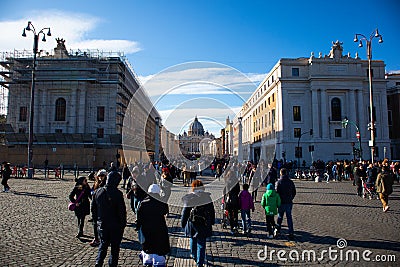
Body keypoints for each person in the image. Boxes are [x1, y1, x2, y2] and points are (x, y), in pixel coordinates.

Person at [92, 171, 126, 267]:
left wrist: (97, 221)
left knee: (103, 245)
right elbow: (121, 211)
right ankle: (112, 265)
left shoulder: (97, 191)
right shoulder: (118, 194)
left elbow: (93, 209)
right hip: (115, 225)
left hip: (102, 224)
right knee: (114, 249)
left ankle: (98, 263)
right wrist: (123, 224)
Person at [181, 180, 215, 267]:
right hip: (203, 223)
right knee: (201, 243)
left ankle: (194, 255)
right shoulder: (207, 197)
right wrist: (212, 221)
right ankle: (199, 263)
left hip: (192, 223)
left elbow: (185, 212)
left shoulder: (189, 198)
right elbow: (212, 211)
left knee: (193, 238)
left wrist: (183, 223)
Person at [136, 184, 170, 266]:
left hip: (146, 228)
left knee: (148, 245)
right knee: (159, 245)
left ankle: (148, 260)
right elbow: (165, 211)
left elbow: (139, 216)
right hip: (159, 227)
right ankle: (158, 262)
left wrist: (138, 226)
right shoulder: (161, 202)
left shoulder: (143, 203)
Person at [275, 168, 296, 239]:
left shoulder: (278, 182)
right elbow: (294, 192)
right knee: (289, 217)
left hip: (281, 202)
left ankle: (277, 230)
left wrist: (277, 200)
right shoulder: (290, 182)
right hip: (288, 202)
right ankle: (291, 232)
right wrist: (291, 198)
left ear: (281, 173)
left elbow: (276, 192)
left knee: (280, 217)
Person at [89, 169, 107, 247]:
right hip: (95, 205)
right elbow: (92, 191)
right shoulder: (96, 183)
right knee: (95, 222)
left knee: (101, 223)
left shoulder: (105, 184)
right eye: (99, 176)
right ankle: (96, 238)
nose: (100, 177)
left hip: (102, 206)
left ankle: (99, 238)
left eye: (102, 176)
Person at [223, 169, 240, 235]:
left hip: (229, 200)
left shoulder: (227, 182)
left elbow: (224, 191)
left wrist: (225, 198)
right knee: (235, 213)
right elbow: (238, 190)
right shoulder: (236, 181)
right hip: (235, 199)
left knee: (230, 214)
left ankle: (232, 227)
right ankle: (235, 226)